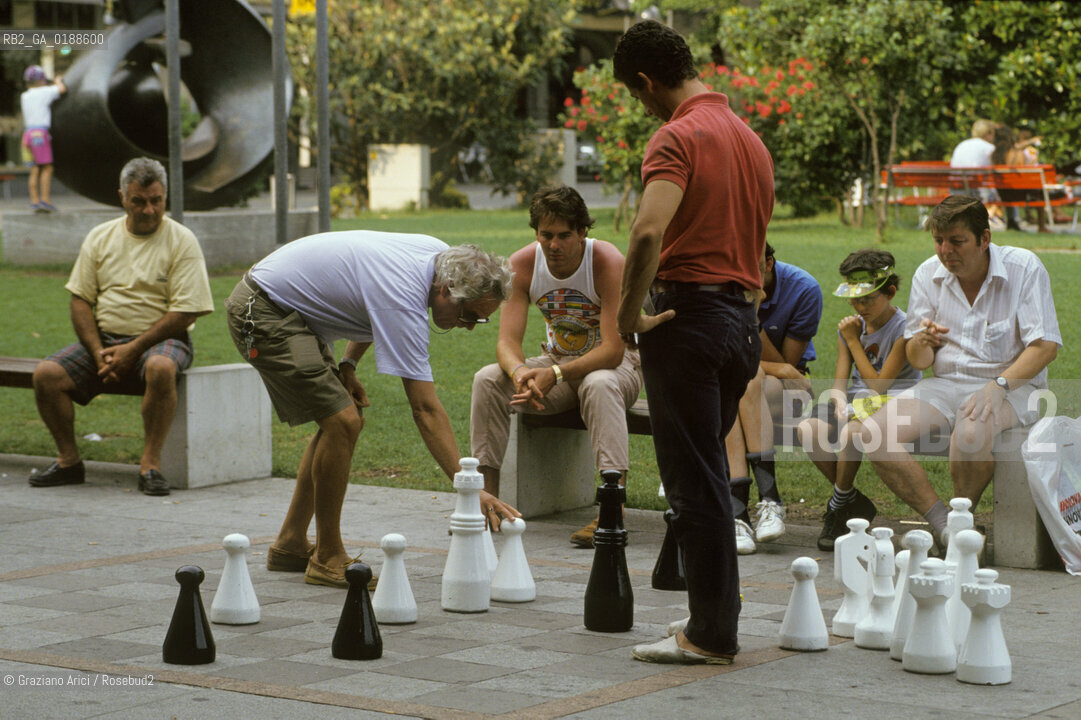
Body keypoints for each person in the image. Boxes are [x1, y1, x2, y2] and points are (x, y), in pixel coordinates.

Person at [225, 232, 519, 588]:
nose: (471, 326)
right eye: (470, 315)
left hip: (288, 310)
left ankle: (290, 543)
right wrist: (471, 490)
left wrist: (348, 363)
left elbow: (370, 299)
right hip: (263, 311)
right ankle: (327, 557)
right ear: (447, 290)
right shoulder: (404, 297)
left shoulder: (438, 257)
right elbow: (425, 410)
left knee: (343, 419)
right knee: (342, 421)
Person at [613, 20, 773, 665]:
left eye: (635, 94)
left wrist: (627, 316)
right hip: (741, 324)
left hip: (689, 317)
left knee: (694, 481)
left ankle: (709, 635)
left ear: (648, 82)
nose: (640, 106)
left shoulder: (677, 135)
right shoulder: (749, 138)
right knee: (708, 471)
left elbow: (648, 233)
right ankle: (714, 616)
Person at [860, 195, 1060, 543]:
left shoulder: (1024, 268)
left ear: (985, 239)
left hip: (1014, 386)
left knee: (969, 434)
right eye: (938, 240)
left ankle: (961, 516)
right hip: (946, 382)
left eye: (957, 241)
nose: (945, 250)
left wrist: (997, 387)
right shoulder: (928, 274)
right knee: (873, 434)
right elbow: (918, 360)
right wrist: (921, 343)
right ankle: (946, 525)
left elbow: (1045, 347)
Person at [28, 157, 214, 496]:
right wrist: (99, 353)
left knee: (160, 367)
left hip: (164, 339)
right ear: (122, 198)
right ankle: (69, 462)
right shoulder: (100, 237)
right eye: (138, 201)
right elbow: (80, 299)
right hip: (106, 340)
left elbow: (186, 312)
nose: (148, 209)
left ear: (165, 198)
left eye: (156, 200)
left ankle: (150, 466)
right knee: (46, 375)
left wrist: (133, 349)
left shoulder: (181, 240)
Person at [470, 186, 642, 546]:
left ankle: (613, 508)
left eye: (565, 235)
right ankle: (485, 502)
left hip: (616, 367)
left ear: (583, 233)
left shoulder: (606, 261)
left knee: (598, 383)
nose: (554, 245)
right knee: (488, 379)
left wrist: (555, 374)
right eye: (546, 235)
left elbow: (613, 350)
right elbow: (506, 343)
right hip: (557, 362)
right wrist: (521, 375)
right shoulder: (522, 265)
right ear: (535, 233)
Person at [796, 249, 920, 551]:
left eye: (867, 299)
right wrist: (838, 400)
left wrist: (854, 341)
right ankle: (853, 499)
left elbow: (878, 386)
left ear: (890, 292)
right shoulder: (852, 327)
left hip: (892, 401)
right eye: (854, 298)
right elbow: (841, 380)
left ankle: (838, 506)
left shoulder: (904, 329)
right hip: (855, 401)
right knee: (807, 430)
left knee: (852, 433)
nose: (858, 305)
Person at [726, 242, 822, 555]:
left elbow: (790, 369)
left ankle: (737, 508)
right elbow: (726, 357)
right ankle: (763, 502)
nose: (739, 276)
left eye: (748, 268)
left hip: (788, 391)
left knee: (739, 386)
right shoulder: (724, 285)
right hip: (746, 383)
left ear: (768, 263)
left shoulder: (804, 289)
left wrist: (752, 319)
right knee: (734, 385)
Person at [20, 64, 66, 212]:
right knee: (47, 167)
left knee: (34, 169)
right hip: (40, 134)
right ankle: (45, 200)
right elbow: (62, 89)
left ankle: (34, 201)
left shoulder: (24, 96)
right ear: (41, 80)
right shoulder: (44, 92)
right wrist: (58, 80)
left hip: (28, 134)